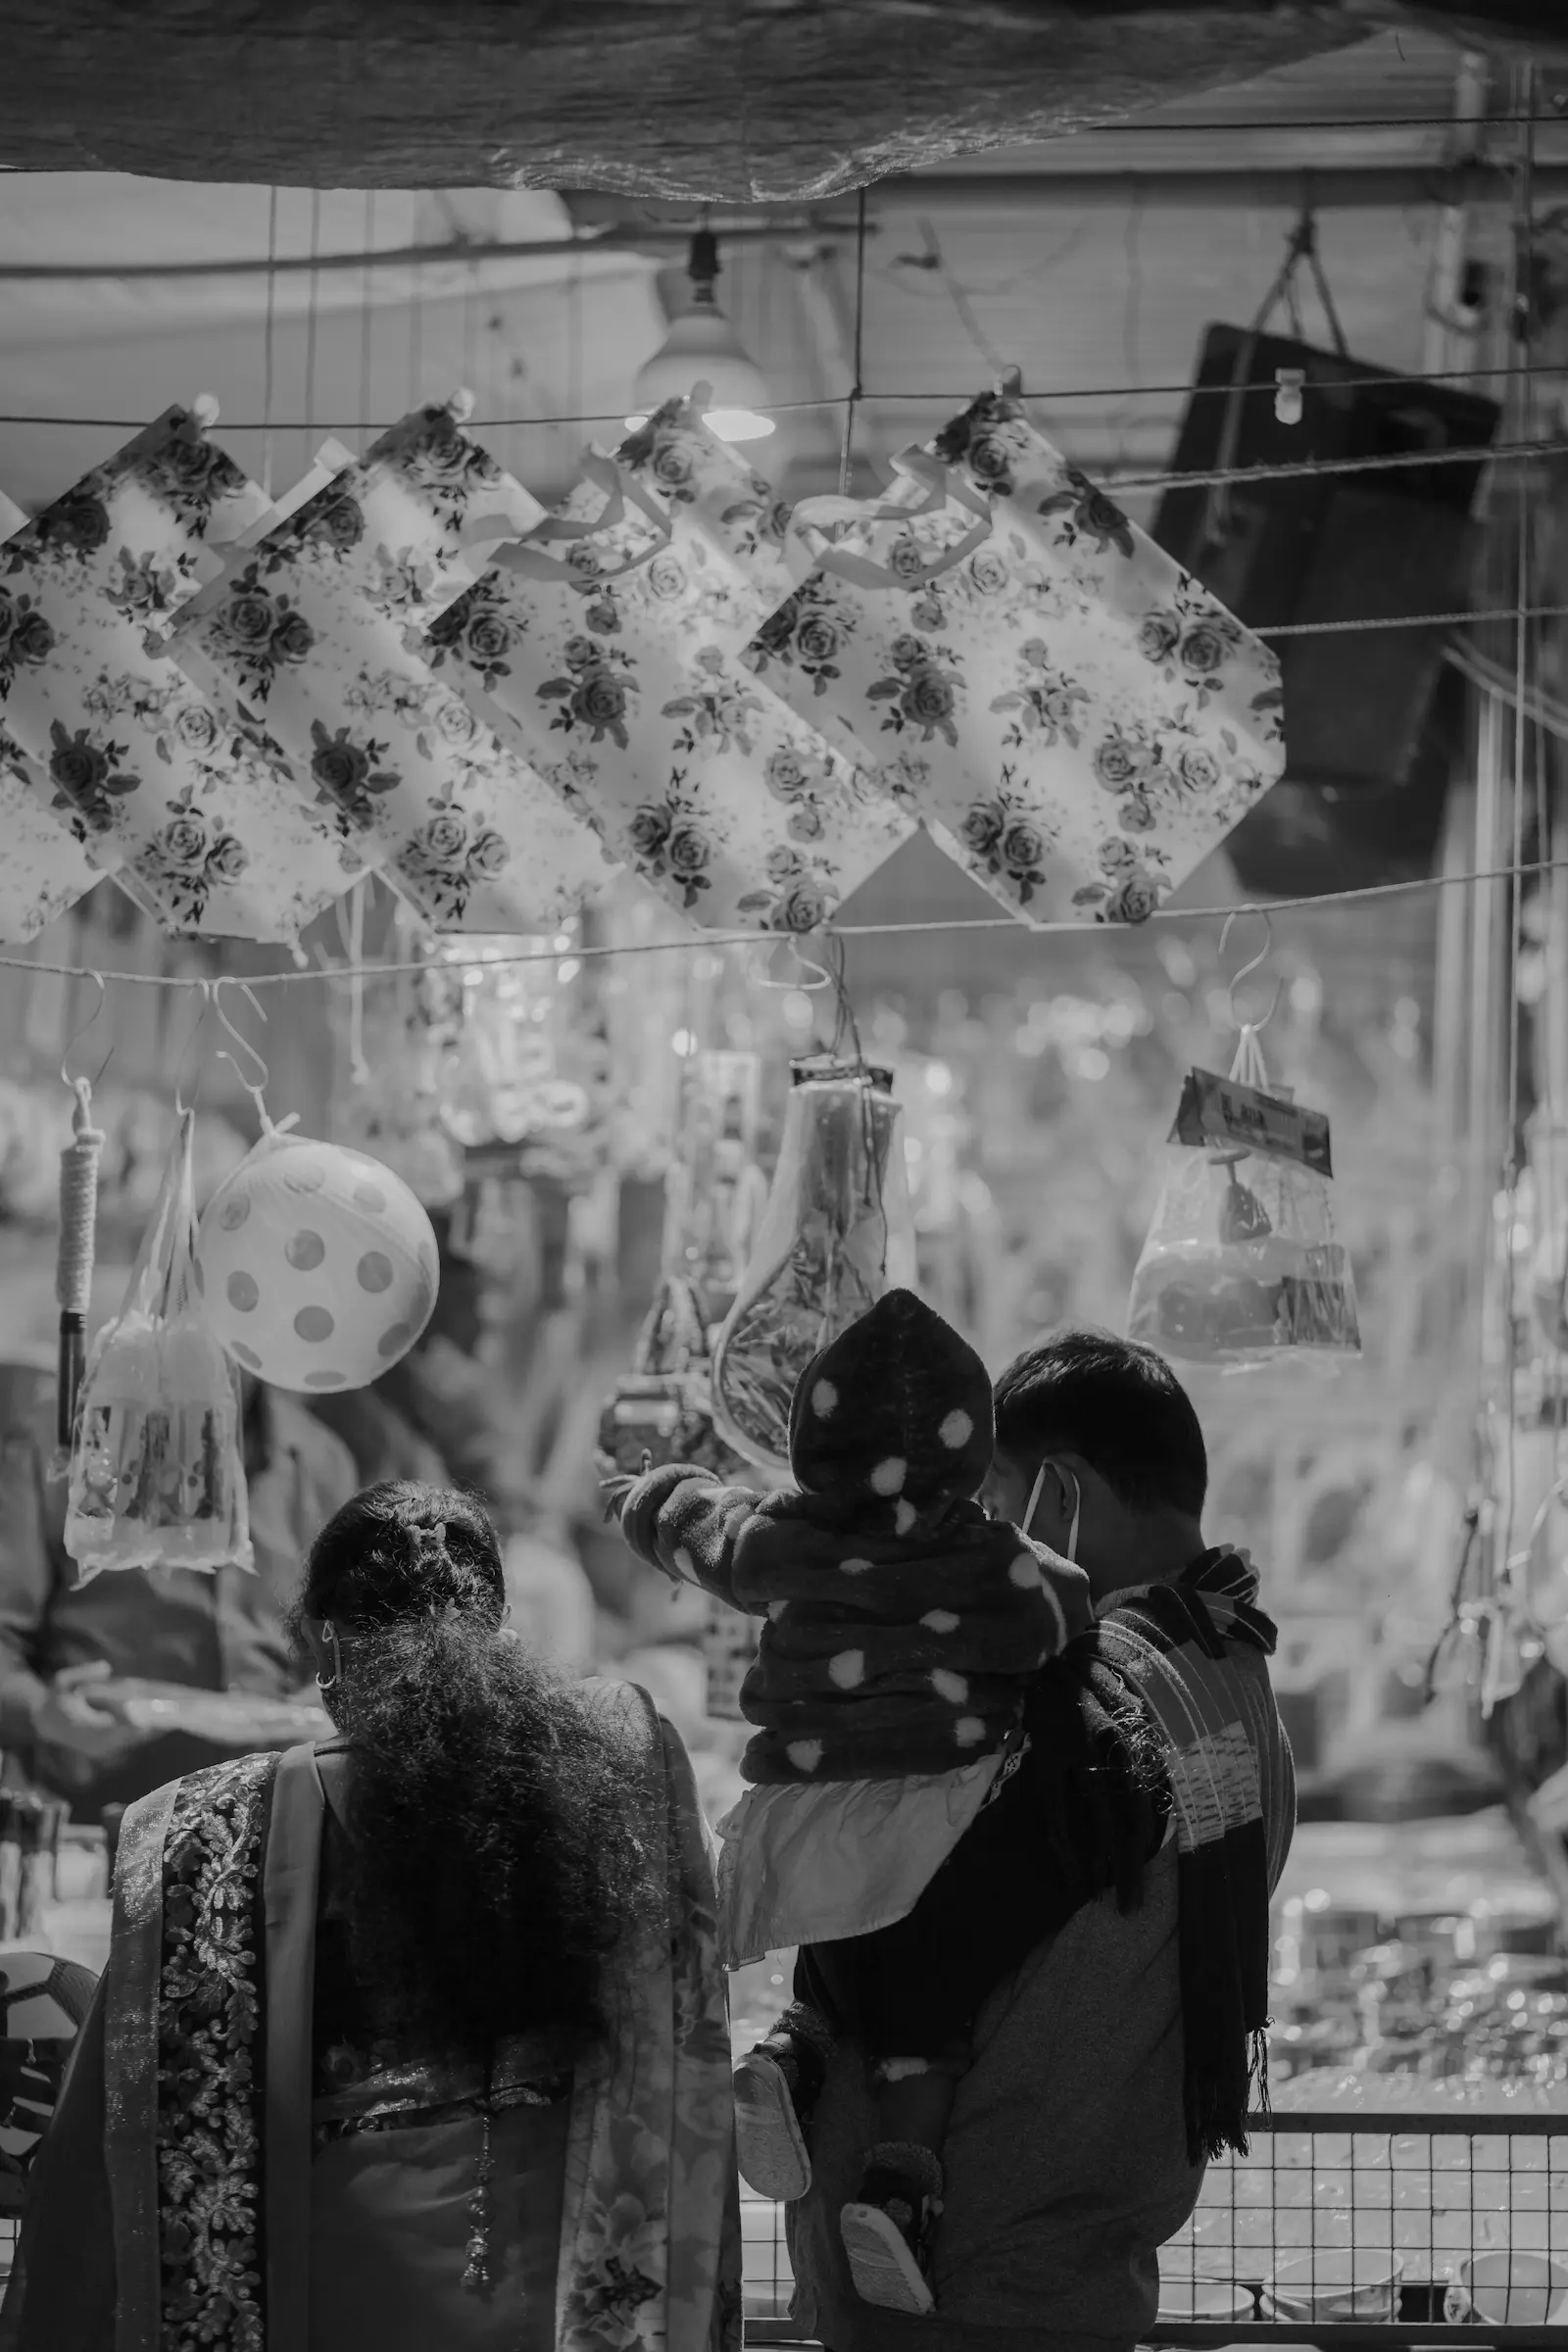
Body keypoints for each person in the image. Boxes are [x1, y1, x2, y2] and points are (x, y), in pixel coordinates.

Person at [0, 1480, 741, 2352]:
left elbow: (101, 2157)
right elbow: (684, 2026)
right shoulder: (615, 1767)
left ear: (324, 1645)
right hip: (573, 2261)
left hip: (337, 2270)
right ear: (498, 1632)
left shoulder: (212, 1829)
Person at [785, 1330, 1295, 2350]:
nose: (980, 1533)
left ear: (1056, 1495)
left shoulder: (1079, 1697)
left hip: (946, 2285)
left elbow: (907, 1928)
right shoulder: (1233, 1683)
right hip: (1083, 2278)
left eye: (993, 1498)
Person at [608, 1290, 1092, 2314]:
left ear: (812, 1433)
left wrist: (638, 1497)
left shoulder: (785, 1537)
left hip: (808, 1802)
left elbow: (698, 1526)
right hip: (935, 1812)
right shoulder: (990, 1556)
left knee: (830, 1967)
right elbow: (1060, 1612)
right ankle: (898, 2184)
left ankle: (784, 2062)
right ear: (971, 1444)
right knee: (929, 2017)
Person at [0, 1358, 357, 1816]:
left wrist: (334, 1689)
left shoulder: (322, 1461)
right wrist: (41, 1714)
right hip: (97, 1821)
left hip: (271, 1828)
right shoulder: (64, 1443)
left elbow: (347, 1643)